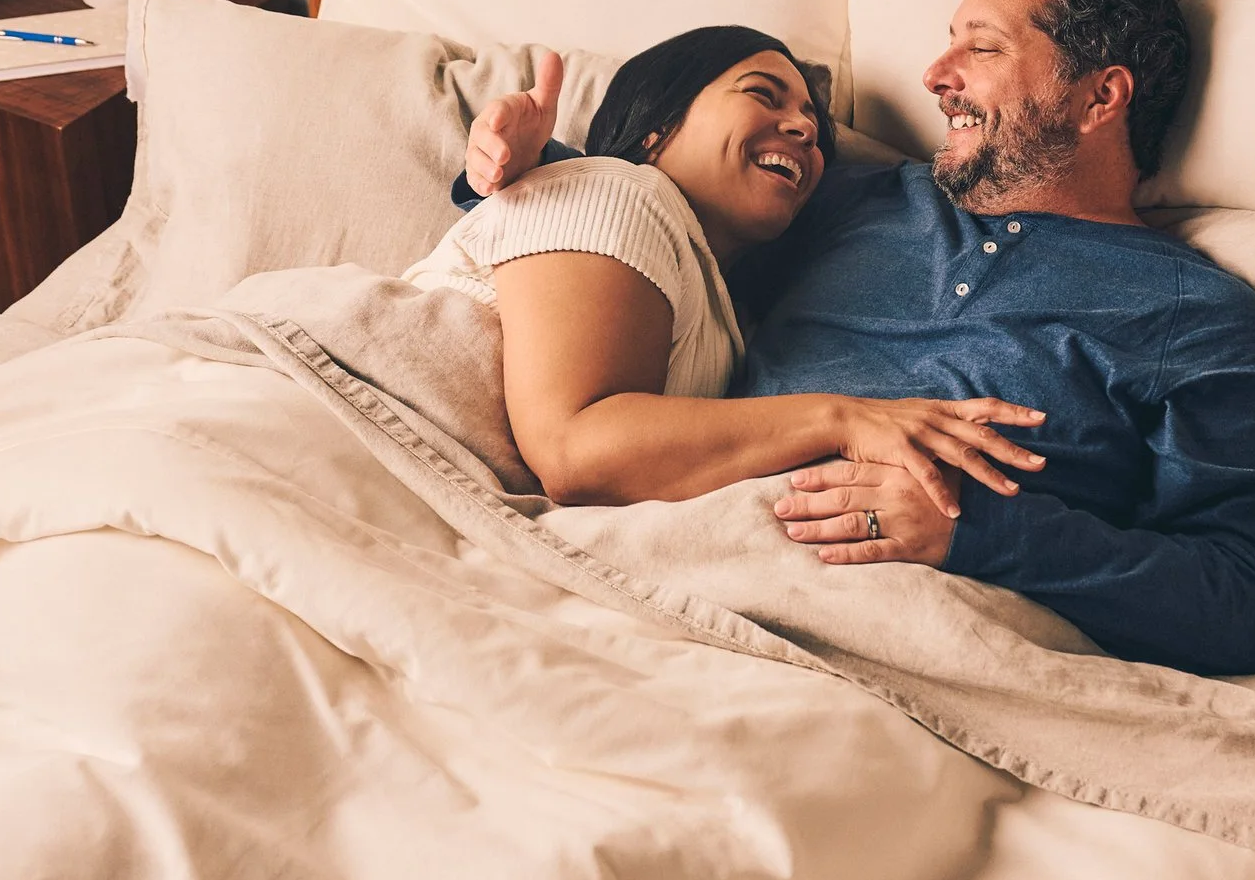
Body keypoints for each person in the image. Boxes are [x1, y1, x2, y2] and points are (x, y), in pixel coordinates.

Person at [463, 0, 1255, 676]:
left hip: (916, 642)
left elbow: (1244, 601)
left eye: (982, 48)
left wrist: (974, 530)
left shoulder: (1204, 320)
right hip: (666, 579)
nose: (934, 75)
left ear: (1101, 95)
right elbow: (660, 221)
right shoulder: (843, 200)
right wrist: (529, 172)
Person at [409, 25, 1048, 517]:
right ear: (657, 126)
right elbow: (575, 451)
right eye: (762, 95)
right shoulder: (624, 192)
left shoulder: (727, 323)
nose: (804, 129)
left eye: (815, 126)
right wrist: (844, 419)